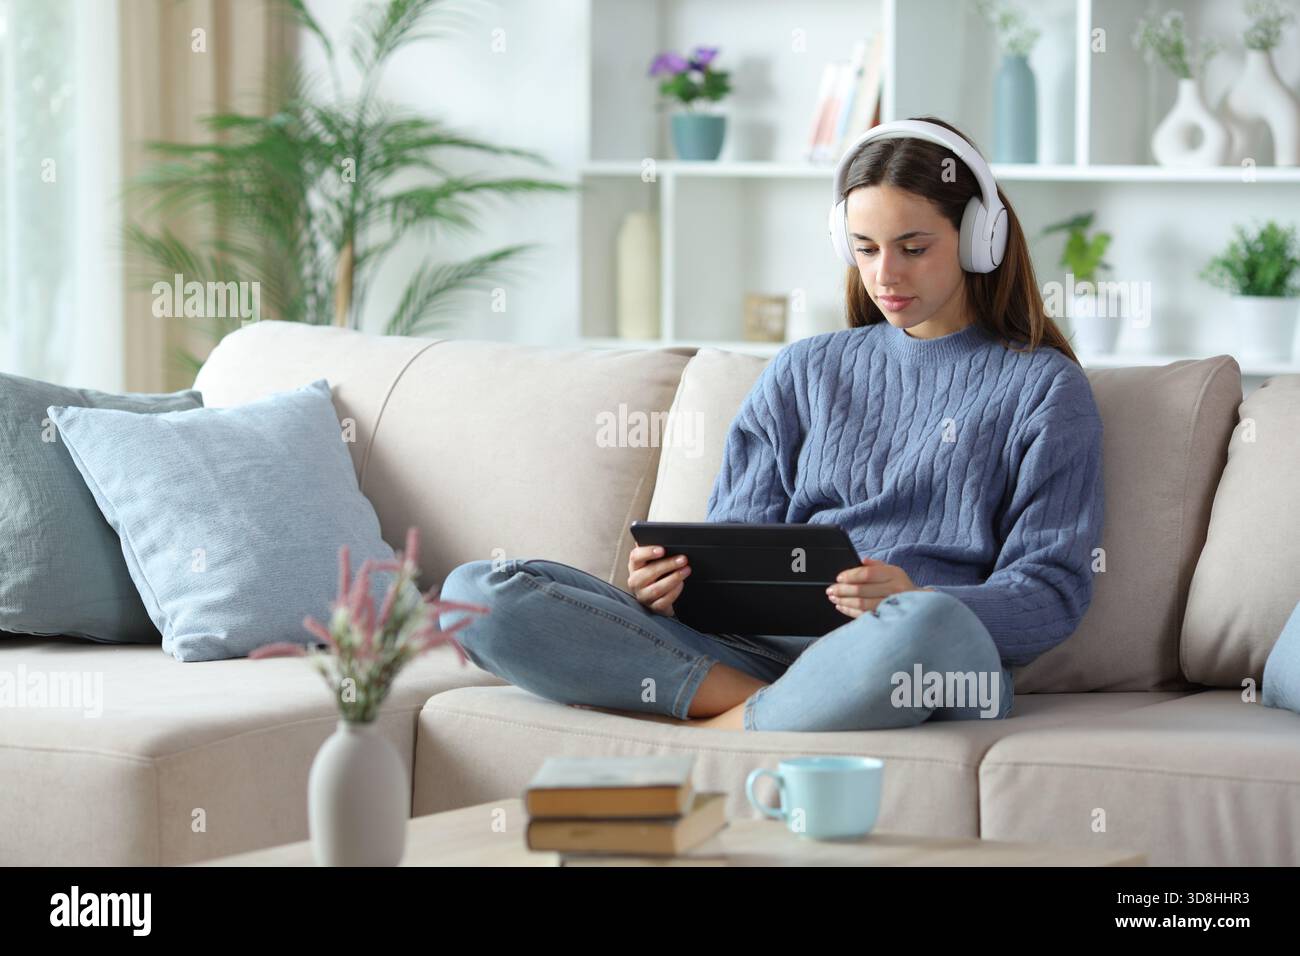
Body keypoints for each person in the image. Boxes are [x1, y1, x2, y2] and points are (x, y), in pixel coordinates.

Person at [437, 116, 1104, 733]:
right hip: (753, 651)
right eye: (866, 249)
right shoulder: (806, 368)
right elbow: (734, 542)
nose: (884, 274)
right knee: (476, 593)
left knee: (929, 622)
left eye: (913, 247)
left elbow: (1050, 594)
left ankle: (727, 720)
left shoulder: (1043, 386)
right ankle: (768, 711)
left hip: (915, 652)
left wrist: (914, 591)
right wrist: (672, 589)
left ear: (981, 238)